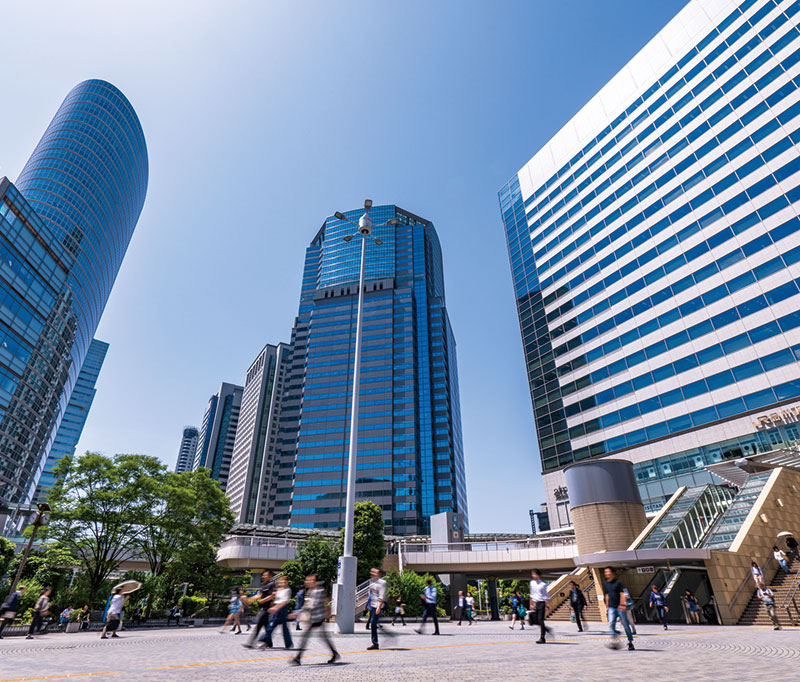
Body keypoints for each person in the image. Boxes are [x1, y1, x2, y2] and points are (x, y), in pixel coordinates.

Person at [291, 574, 339, 666]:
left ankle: (298, 658)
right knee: (324, 638)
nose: (307, 582)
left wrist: (299, 612)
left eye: (309, 580)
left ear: (315, 581)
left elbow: (314, 605)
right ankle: (334, 654)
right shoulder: (311, 590)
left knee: (305, 637)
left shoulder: (319, 591)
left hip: (317, 618)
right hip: (314, 618)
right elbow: (309, 604)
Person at [603, 567, 634, 651]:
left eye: (608, 572)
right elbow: (607, 595)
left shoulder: (618, 583)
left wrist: (622, 605)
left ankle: (630, 642)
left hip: (620, 607)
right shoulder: (606, 583)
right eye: (605, 572)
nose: (606, 573)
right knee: (611, 624)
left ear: (612, 573)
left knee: (625, 625)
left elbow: (622, 594)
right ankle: (614, 642)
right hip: (612, 608)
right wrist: (607, 606)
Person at [260, 576, 293, 650]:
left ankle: (288, 644)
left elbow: (284, 602)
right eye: (281, 581)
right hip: (277, 609)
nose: (282, 583)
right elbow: (274, 599)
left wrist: (275, 608)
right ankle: (265, 641)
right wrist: (272, 605)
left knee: (280, 626)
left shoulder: (287, 590)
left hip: (282, 609)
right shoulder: (279, 590)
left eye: (284, 582)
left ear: (287, 582)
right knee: (272, 625)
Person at [244, 571, 275, 648]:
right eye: (263, 575)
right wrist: (250, 599)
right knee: (265, 626)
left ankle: (250, 643)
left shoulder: (271, 585)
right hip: (263, 608)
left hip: (266, 608)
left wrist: (263, 600)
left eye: (265, 575)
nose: (263, 576)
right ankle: (269, 643)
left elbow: (272, 595)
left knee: (259, 625)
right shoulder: (263, 585)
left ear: (269, 576)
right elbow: (259, 595)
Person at [528, 569, 552, 644]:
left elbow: (546, 595)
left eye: (535, 574)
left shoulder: (543, 584)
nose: (533, 576)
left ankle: (542, 638)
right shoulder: (532, 583)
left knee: (540, 619)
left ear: (538, 575)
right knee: (533, 620)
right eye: (532, 574)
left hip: (542, 603)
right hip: (536, 603)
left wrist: (547, 605)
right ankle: (546, 628)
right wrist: (531, 604)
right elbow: (531, 594)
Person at [366, 568, 387, 650]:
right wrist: (368, 605)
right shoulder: (371, 581)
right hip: (372, 605)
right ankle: (375, 643)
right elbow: (371, 594)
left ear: (378, 573)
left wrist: (379, 607)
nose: (372, 573)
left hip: (378, 606)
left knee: (373, 624)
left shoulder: (382, 583)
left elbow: (382, 595)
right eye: (372, 571)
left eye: (375, 572)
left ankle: (375, 643)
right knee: (373, 624)